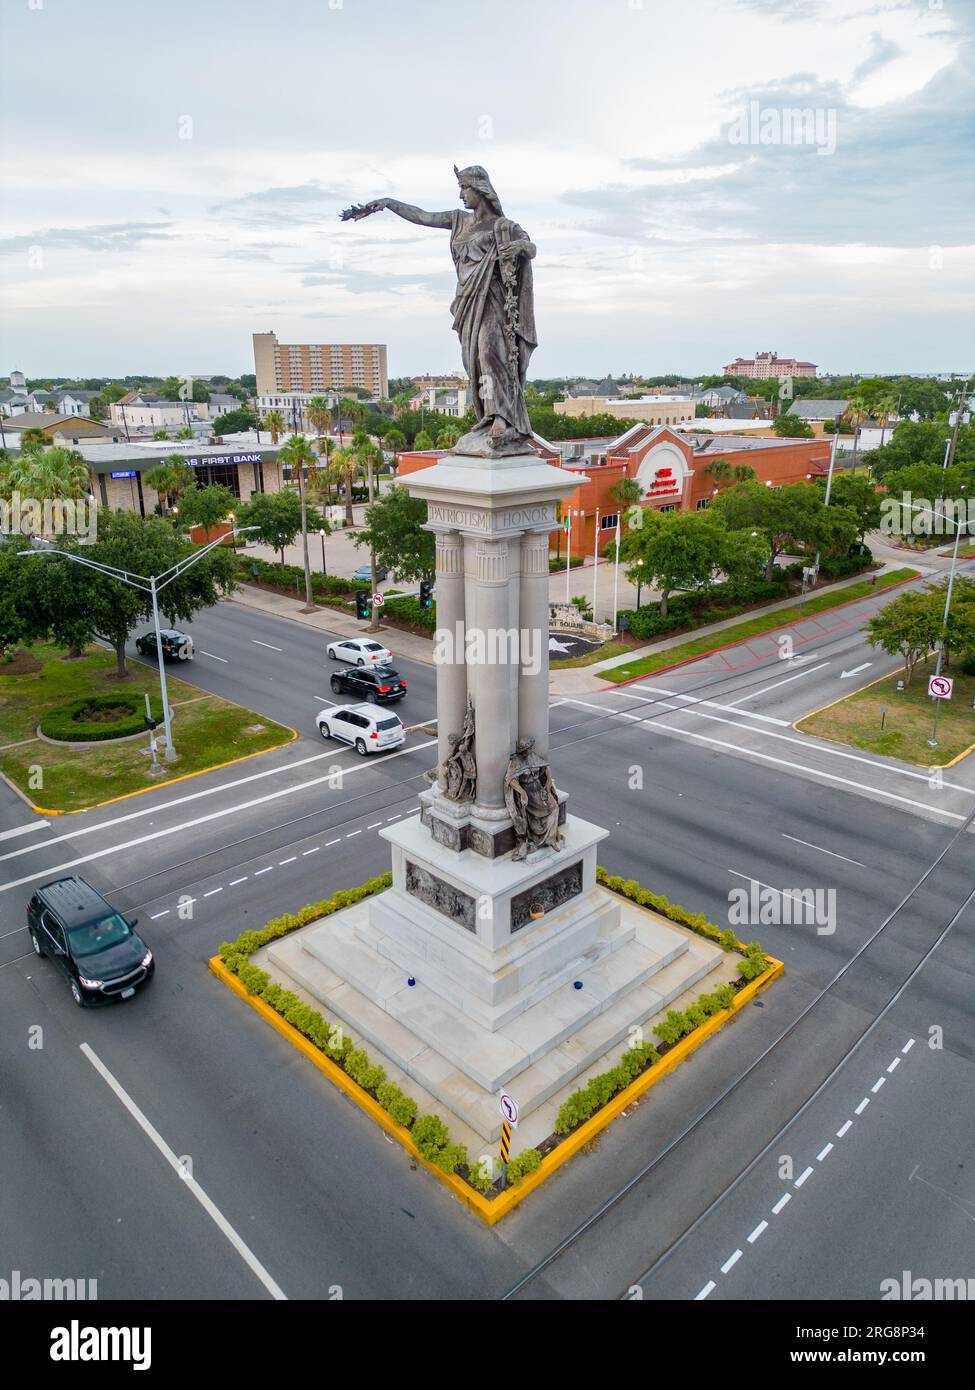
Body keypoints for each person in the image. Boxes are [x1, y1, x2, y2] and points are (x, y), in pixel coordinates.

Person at [341, 166, 536, 456]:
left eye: (465, 188)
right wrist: (388, 203)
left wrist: (519, 246)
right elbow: (422, 216)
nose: (461, 195)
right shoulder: (459, 220)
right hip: (468, 301)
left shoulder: (503, 226)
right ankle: (487, 415)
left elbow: (531, 249)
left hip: (493, 300)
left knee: (489, 351)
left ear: (480, 189)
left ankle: (503, 418)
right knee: (474, 362)